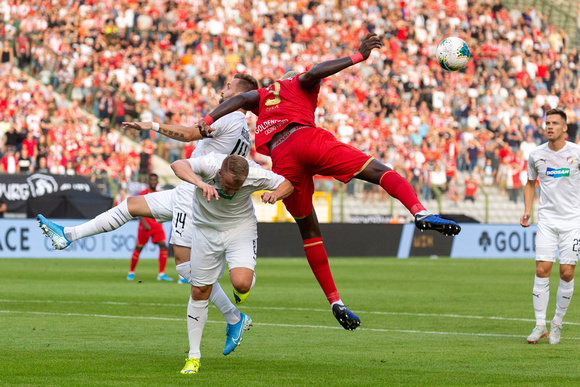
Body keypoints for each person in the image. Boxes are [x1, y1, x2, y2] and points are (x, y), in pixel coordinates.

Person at [180, 33, 461, 330]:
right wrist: (358, 56)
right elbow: (315, 73)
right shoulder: (298, 84)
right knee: (379, 172)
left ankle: (335, 300)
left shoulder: (262, 96)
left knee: (310, 231)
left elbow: (238, 99)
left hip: (283, 160)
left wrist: (208, 120)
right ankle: (419, 211)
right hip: (307, 139)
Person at [37, 73, 260, 354]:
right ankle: (68, 235)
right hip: (190, 190)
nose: (222, 90)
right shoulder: (243, 129)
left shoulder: (230, 118)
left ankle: (234, 317)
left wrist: (152, 125)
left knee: (184, 267)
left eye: (228, 87)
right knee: (131, 205)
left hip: (195, 196)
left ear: (240, 95)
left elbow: (191, 133)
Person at [171, 153, 293, 375]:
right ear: (219, 174)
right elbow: (177, 164)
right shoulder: (208, 165)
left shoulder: (255, 174)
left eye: (236, 188)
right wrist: (199, 183)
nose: (230, 192)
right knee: (199, 290)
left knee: (241, 284)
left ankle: (240, 302)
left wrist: (275, 194)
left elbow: (288, 184)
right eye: (227, 186)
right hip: (206, 230)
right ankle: (193, 357)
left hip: (240, 227)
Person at [521, 108, 580, 345]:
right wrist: (527, 210)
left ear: (564, 128)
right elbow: (529, 183)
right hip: (547, 220)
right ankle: (539, 325)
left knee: (566, 272)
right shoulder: (536, 155)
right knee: (541, 270)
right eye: (547, 123)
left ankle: (557, 322)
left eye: (555, 123)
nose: (550, 126)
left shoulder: (576, 153)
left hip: (573, 221)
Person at [127, 173, 172, 281]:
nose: (153, 182)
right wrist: (143, 222)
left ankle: (161, 273)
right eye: (151, 180)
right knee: (139, 247)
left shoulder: (159, 194)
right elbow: (136, 209)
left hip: (157, 225)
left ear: (157, 181)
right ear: (149, 181)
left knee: (163, 245)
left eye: (154, 180)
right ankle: (131, 272)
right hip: (145, 225)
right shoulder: (143, 194)